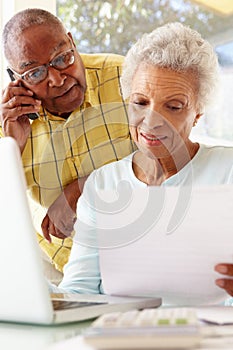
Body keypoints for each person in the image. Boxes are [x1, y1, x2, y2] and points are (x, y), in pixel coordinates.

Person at [50, 22, 233, 302]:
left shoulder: (227, 171)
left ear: (198, 113)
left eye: (173, 107)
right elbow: (78, 293)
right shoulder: (102, 184)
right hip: (120, 337)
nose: (151, 121)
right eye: (140, 102)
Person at [0, 8, 136, 276]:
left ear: (72, 42)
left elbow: (169, 161)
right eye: (35, 74)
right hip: (57, 267)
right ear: (15, 79)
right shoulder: (7, 117)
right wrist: (12, 146)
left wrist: (82, 190)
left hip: (137, 254)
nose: (57, 78)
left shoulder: (125, 77)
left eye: (63, 58)